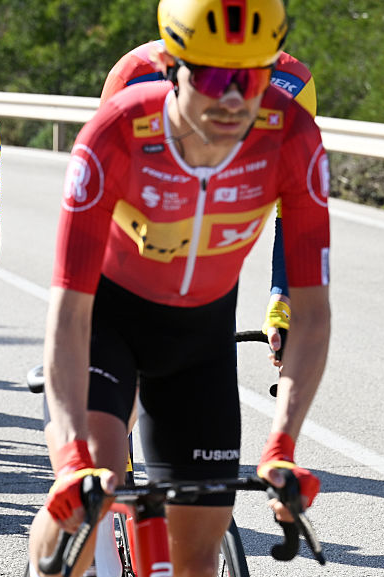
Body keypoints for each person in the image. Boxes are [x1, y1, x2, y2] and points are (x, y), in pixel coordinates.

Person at [19, 1, 330, 577]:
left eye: (252, 78)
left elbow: (310, 311)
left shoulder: (291, 135)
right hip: (107, 323)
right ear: (173, 66)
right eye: (214, 78)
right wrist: (70, 457)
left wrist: (283, 444)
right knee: (88, 501)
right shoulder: (117, 132)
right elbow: (68, 311)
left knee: (196, 567)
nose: (234, 99)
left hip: (199, 340)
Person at [100, 40, 319, 362]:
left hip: (213, 268)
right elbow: (103, 203)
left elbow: (294, 210)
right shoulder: (135, 73)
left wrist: (283, 305)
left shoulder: (293, 84)